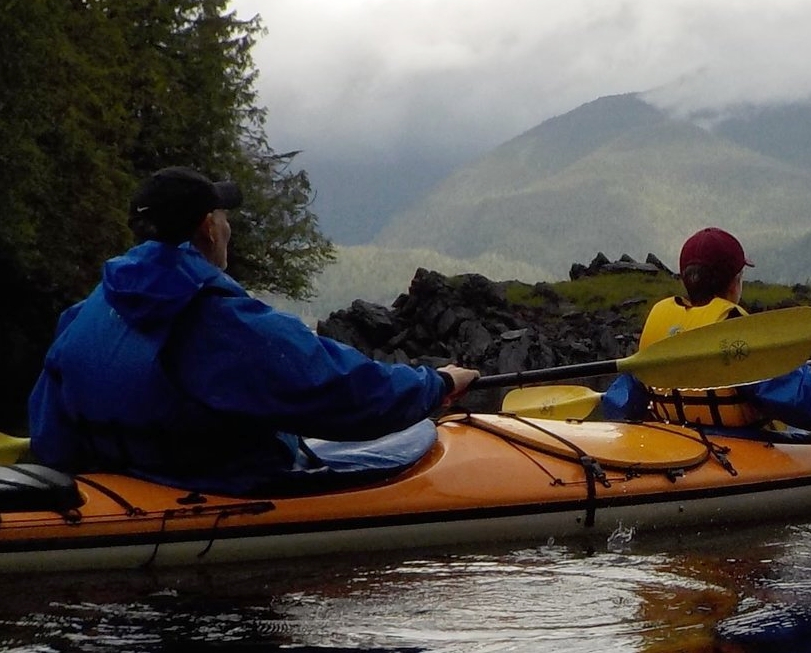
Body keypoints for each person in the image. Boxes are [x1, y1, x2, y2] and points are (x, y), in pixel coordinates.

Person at [29, 167, 477, 492]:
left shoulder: (92, 307)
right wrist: (435, 384)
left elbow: (50, 417)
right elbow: (335, 387)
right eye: (224, 216)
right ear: (208, 226)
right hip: (213, 480)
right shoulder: (218, 319)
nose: (228, 227)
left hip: (116, 474)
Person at [598, 227, 811, 430]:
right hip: (735, 451)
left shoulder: (663, 328)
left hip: (677, 445)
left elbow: (619, 404)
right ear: (734, 283)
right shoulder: (740, 340)